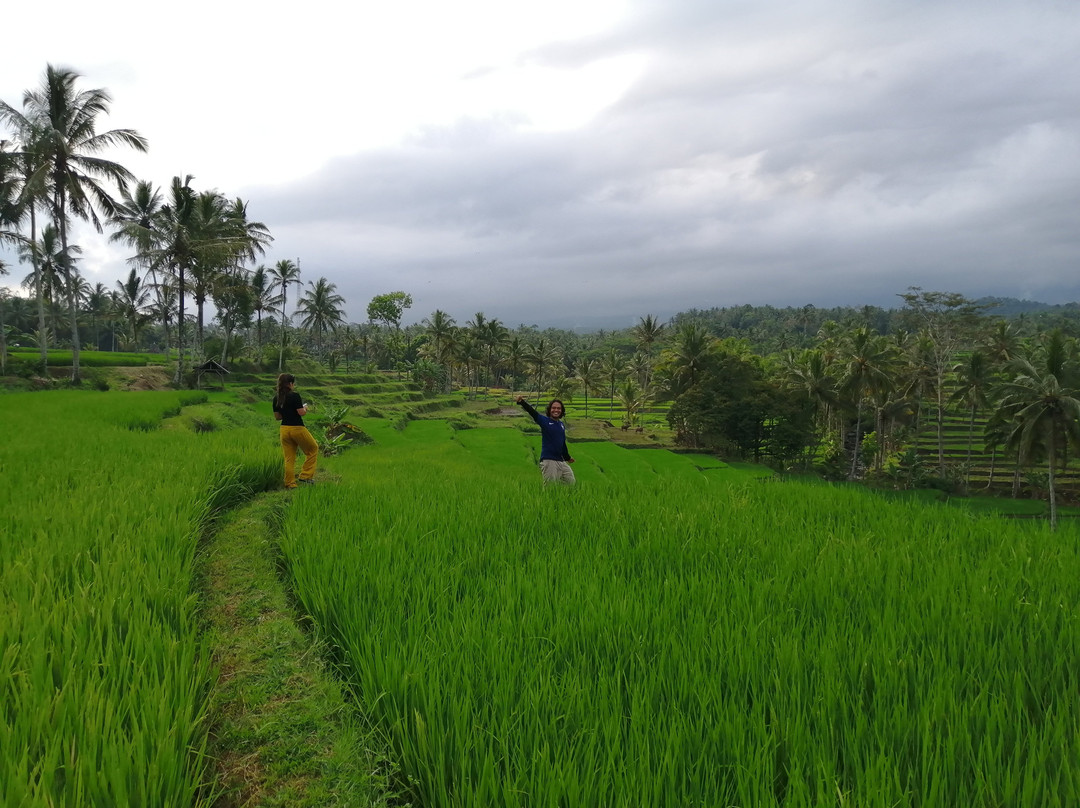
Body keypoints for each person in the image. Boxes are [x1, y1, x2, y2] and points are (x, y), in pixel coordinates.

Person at [516, 395, 576, 485]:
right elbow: (533, 412)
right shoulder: (545, 421)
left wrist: (568, 457)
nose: (556, 410)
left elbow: (562, 443)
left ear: (562, 411)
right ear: (550, 410)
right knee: (550, 487)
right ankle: (548, 498)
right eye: (554, 408)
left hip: (561, 460)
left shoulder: (561, 425)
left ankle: (563, 498)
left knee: (571, 482)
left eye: (559, 408)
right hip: (549, 460)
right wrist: (522, 402)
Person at [273, 373, 318, 489]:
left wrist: (288, 412)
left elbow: (277, 417)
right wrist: (305, 408)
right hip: (297, 428)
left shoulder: (276, 398)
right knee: (313, 449)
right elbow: (301, 413)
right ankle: (306, 476)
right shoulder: (295, 396)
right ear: (291, 384)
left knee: (289, 458)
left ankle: (290, 483)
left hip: (284, 430)